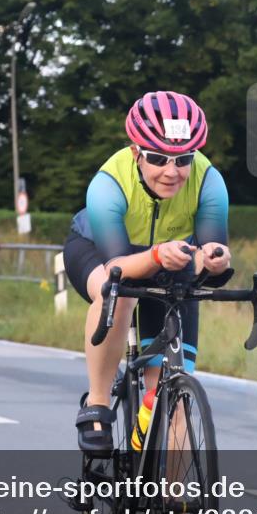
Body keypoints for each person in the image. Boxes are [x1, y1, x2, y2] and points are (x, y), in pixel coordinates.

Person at [65, 90, 230, 451]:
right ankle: (97, 404)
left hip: (169, 260)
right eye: (158, 158)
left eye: (183, 159)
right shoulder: (108, 184)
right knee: (117, 291)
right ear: (137, 152)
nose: (172, 172)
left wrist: (215, 259)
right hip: (99, 253)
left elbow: (212, 247)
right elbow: (117, 265)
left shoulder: (209, 180)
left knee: (172, 382)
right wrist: (157, 256)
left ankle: (171, 497)